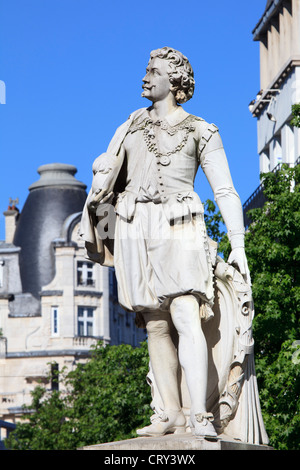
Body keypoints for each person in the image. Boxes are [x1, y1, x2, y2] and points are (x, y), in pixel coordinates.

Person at [80, 47, 250, 439]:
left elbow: (225, 190)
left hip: (180, 223)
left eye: (152, 71)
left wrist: (237, 243)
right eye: (146, 69)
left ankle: (198, 415)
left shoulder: (199, 130)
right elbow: (108, 182)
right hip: (134, 225)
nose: (144, 77)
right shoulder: (130, 126)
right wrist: (104, 229)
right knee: (154, 322)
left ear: (173, 81)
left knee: (186, 313)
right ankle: (170, 413)